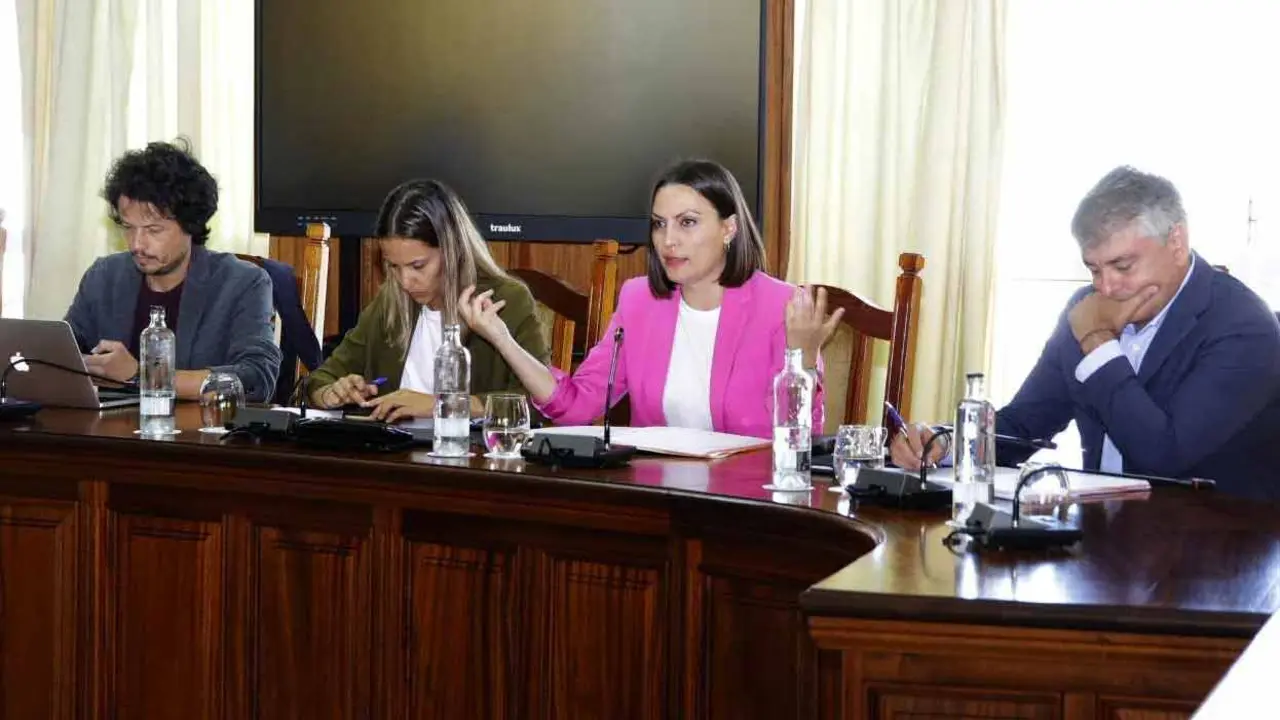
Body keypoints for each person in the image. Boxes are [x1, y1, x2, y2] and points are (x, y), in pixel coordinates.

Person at [891, 166, 1280, 499]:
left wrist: (1098, 343)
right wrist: (944, 443)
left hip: (1216, 556)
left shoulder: (1244, 327)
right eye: (1094, 269)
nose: (1107, 287)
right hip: (1105, 541)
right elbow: (1024, 425)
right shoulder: (1086, 308)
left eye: (1123, 266)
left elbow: (1163, 456)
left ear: (1176, 242)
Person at [458, 158, 842, 439]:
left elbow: (800, 438)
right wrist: (501, 338)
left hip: (745, 505)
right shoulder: (639, 300)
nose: (667, 240)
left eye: (687, 222)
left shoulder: (781, 305)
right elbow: (574, 406)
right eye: (659, 224)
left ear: (729, 228)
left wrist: (803, 360)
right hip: (657, 498)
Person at [308, 179, 548, 422]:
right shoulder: (390, 302)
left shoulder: (507, 301)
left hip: (471, 455)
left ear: (453, 250)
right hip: (393, 455)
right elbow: (321, 379)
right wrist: (333, 393)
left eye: (418, 266)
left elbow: (539, 404)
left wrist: (442, 405)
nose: (405, 282)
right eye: (394, 266)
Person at [65, 140, 281, 402]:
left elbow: (256, 379)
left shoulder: (243, 283)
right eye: (128, 227)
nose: (136, 244)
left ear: (191, 224)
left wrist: (141, 376)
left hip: (198, 437)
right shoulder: (104, 277)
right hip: (109, 434)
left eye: (153, 230)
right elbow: (61, 354)